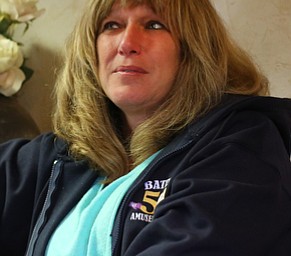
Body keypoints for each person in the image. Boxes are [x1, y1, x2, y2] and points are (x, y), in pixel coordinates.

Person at [1, 0, 291, 255]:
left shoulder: (241, 147)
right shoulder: (63, 154)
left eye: (154, 24)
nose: (126, 43)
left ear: (192, 50)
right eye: (112, 25)